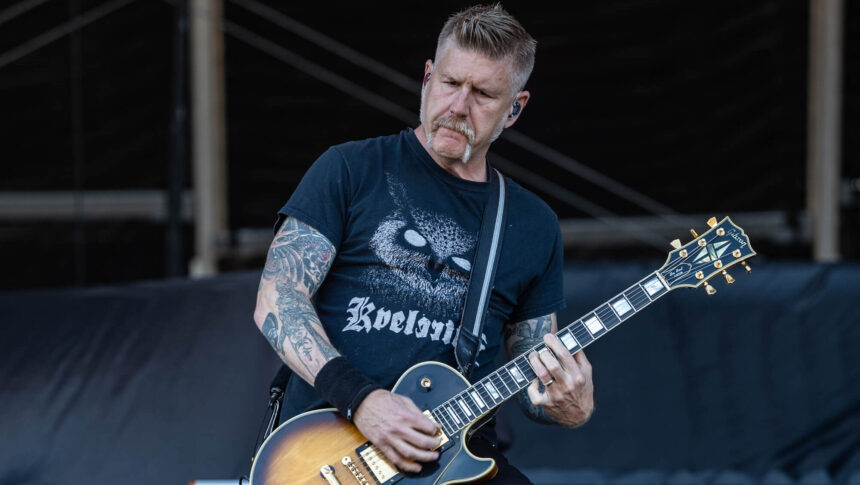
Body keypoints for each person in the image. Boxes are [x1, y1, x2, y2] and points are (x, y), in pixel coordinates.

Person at [253, 4, 594, 483]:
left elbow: (534, 384)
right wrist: (362, 400)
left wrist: (571, 404)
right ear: (428, 78)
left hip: (453, 463)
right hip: (327, 456)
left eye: (483, 94)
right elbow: (277, 300)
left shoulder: (532, 224)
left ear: (515, 108)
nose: (458, 107)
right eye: (450, 83)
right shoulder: (350, 169)